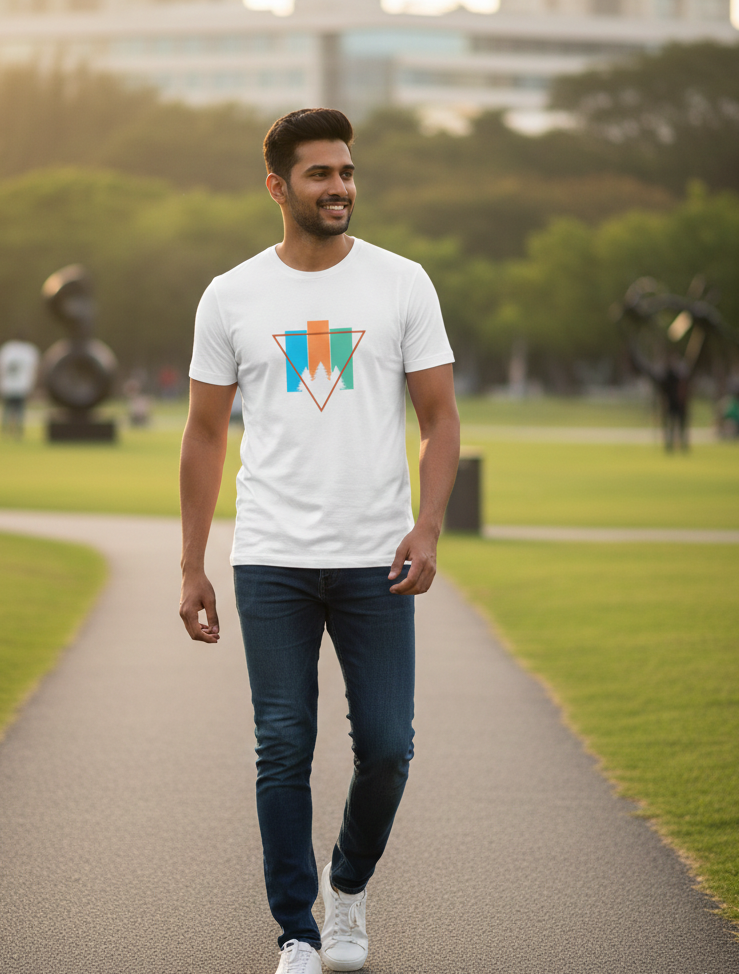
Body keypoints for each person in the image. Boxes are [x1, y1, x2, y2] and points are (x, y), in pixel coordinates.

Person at [179, 108, 461, 974]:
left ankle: (347, 887)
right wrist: (191, 564)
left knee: (386, 746)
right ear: (277, 187)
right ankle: (298, 931)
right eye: (319, 174)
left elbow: (441, 416)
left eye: (346, 171)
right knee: (284, 743)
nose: (339, 186)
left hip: (377, 556)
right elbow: (202, 434)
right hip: (271, 558)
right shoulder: (231, 294)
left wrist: (428, 523)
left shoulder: (402, 282)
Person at [0, 337, 40, 438]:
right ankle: (18, 431)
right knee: (19, 410)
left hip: (8, 385)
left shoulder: (7, 349)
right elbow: (34, 368)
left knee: (7, 410)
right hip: (21, 386)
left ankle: (5, 431)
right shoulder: (29, 350)